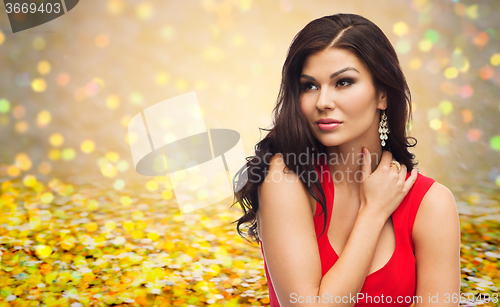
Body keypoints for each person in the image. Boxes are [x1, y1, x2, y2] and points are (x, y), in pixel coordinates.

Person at [231, 13, 460, 307]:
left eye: (343, 82)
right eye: (309, 86)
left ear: (383, 95)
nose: (323, 101)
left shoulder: (432, 204)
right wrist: (373, 212)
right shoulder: (285, 180)